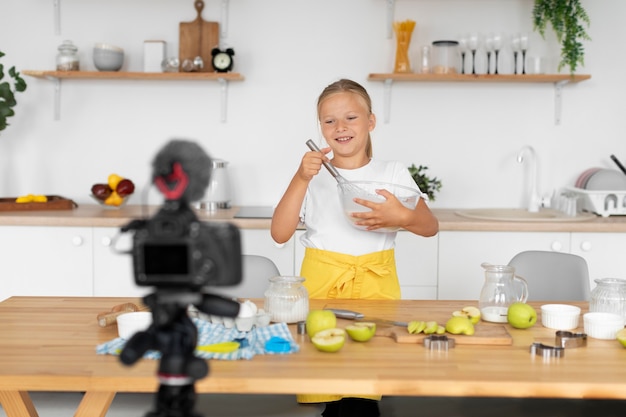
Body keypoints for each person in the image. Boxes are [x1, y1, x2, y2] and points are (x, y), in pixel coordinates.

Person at [271, 78, 439, 417]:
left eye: (351, 117)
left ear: (370, 122)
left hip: (376, 287)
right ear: (320, 127)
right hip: (320, 289)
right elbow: (279, 233)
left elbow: (430, 227)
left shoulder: (391, 173)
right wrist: (300, 178)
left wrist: (402, 215)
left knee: (362, 389)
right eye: (329, 120)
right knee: (325, 384)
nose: (340, 127)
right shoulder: (313, 175)